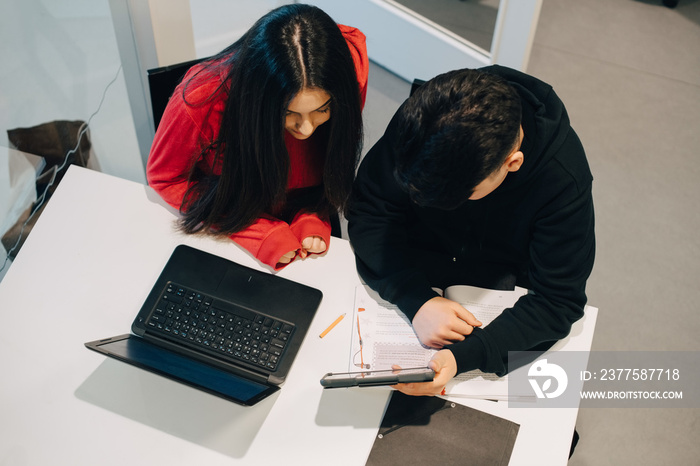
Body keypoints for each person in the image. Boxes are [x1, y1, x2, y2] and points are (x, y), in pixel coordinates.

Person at [347, 66, 595, 397]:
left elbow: (558, 301)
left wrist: (465, 356)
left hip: (499, 300)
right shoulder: (421, 122)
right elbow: (369, 208)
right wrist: (416, 299)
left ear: (512, 163)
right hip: (408, 269)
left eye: (461, 197)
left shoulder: (563, 179)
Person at [147, 4, 367, 270]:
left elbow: (334, 157)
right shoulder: (202, 100)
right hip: (235, 206)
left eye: (322, 110)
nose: (307, 129)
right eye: (289, 113)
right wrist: (252, 229)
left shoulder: (348, 74)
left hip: (310, 203)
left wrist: (314, 211)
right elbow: (165, 177)